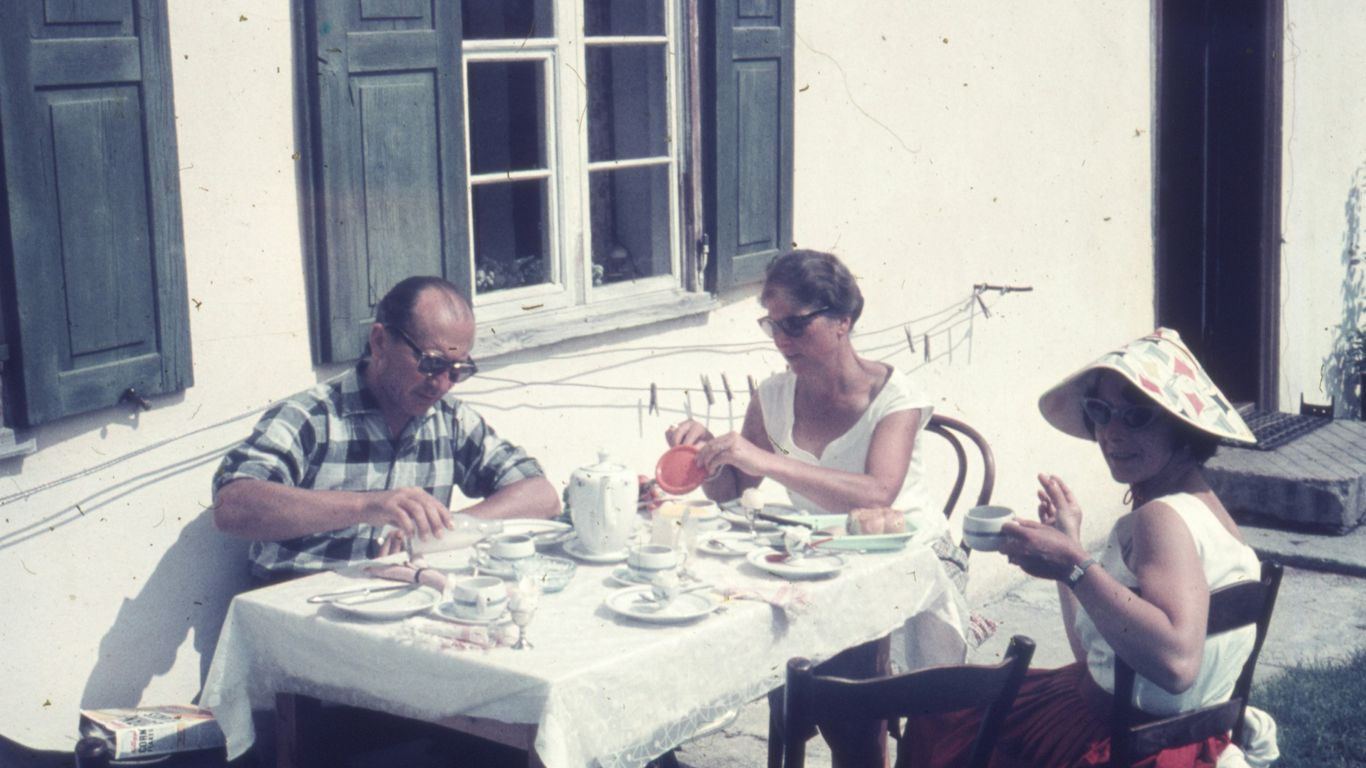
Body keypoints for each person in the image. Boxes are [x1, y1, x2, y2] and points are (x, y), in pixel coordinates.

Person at [903, 327, 1263, 768]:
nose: (1111, 434)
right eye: (1101, 412)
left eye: (1136, 416)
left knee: (939, 713)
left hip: (1120, 743)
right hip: (1179, 737)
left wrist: (1075, 564)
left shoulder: (1161, 519)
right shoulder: (1205, 508)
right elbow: (1095, 656)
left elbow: (1177, 663)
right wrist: (1067, 553)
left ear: (1182, 425)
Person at [666, 249, 968, 765]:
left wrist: (764, 459)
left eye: (795, 325)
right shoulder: (775, 394)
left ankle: (856, 741)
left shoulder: (895, 396)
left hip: (906, 557)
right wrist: (706, 461)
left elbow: (879, 493)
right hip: (822, 555)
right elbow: (738, 489)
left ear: (841, 321)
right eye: (772, 325)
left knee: (847, 685)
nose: (782, 340)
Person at [213, 275, 560, 582]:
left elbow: (541, 495)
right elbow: (233, 506)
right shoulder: (312, 417)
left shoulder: (449, 419)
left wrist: (440, 529)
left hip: (401, 602)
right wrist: (367, 507)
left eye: (457, 369)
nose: (441, 384)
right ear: (380, 342)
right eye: (431, 363)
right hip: (300, 612)